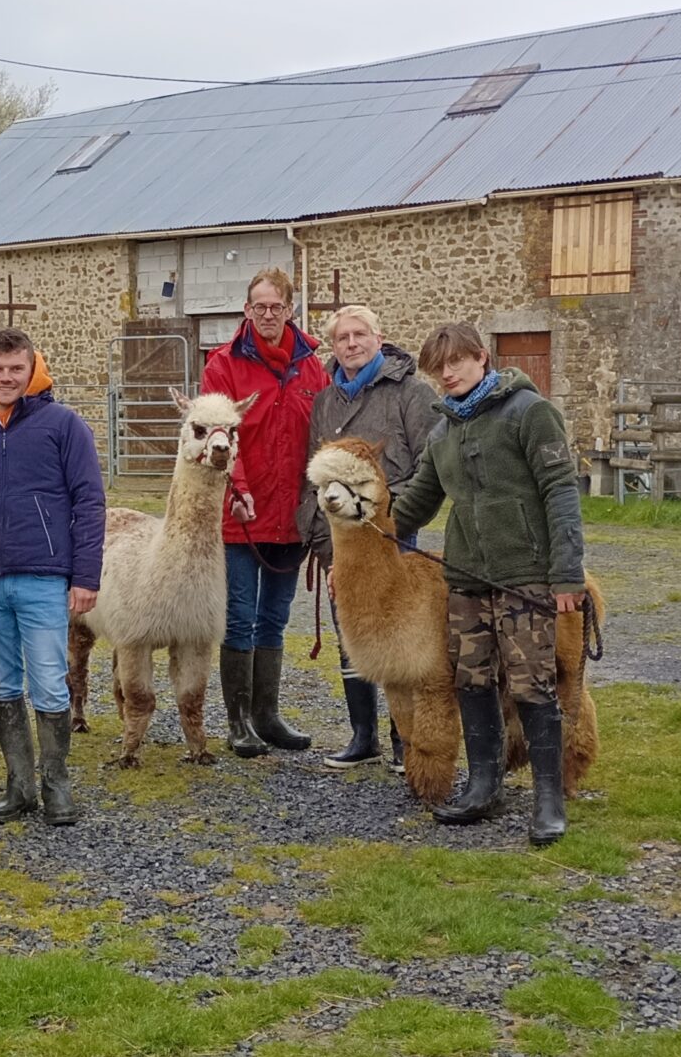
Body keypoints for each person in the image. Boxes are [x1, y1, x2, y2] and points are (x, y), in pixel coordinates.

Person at [388, 322, 586, 844]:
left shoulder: (529, 413)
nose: (446, 374)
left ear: (481, 357)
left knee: (531, 683)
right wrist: (364, 527)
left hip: (526, 576)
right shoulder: (443, 431)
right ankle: (483, 785)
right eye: (438, 368)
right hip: (467, 579)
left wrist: (566, 573)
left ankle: (548, 798)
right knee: (471, 682)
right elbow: (416, 502)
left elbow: (561, 492)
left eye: (456, 362)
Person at [0, 328, 105, 826]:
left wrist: (85, 575)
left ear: (32, 369)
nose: (7, 377)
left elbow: (89, 503)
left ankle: (56, 784)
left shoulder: (63, 426)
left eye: (16, 369)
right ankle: (19, 784)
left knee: (51, 684)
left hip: (44, 577)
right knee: (4, 681)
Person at [296, 304, 440, 771]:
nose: (352, 344)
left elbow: (427, 466)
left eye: (360, 335)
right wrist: (322, 538)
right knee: (352, 631)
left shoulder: (410, 394)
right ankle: (363, 734)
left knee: (401, 633)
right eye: (342, 338)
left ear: (379, 338)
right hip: (340, 536)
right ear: (333, 347)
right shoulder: (326, 401)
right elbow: (317, 480)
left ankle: (409, 739)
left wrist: (385, 509)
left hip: (391, 530)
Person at [200, 267, 330, 758]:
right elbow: (220, 436)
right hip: (243, 515)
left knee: (275, 618)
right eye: (260, 306)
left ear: (291, 310)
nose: (268, 314)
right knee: (240, 617)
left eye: (277, 307)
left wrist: (312, 504)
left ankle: (266, 715)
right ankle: (237, 721)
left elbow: (318, 438)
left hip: (291, 515)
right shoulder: (224, 366)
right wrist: (238, 490)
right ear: (247, 310)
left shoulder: (312, 368)